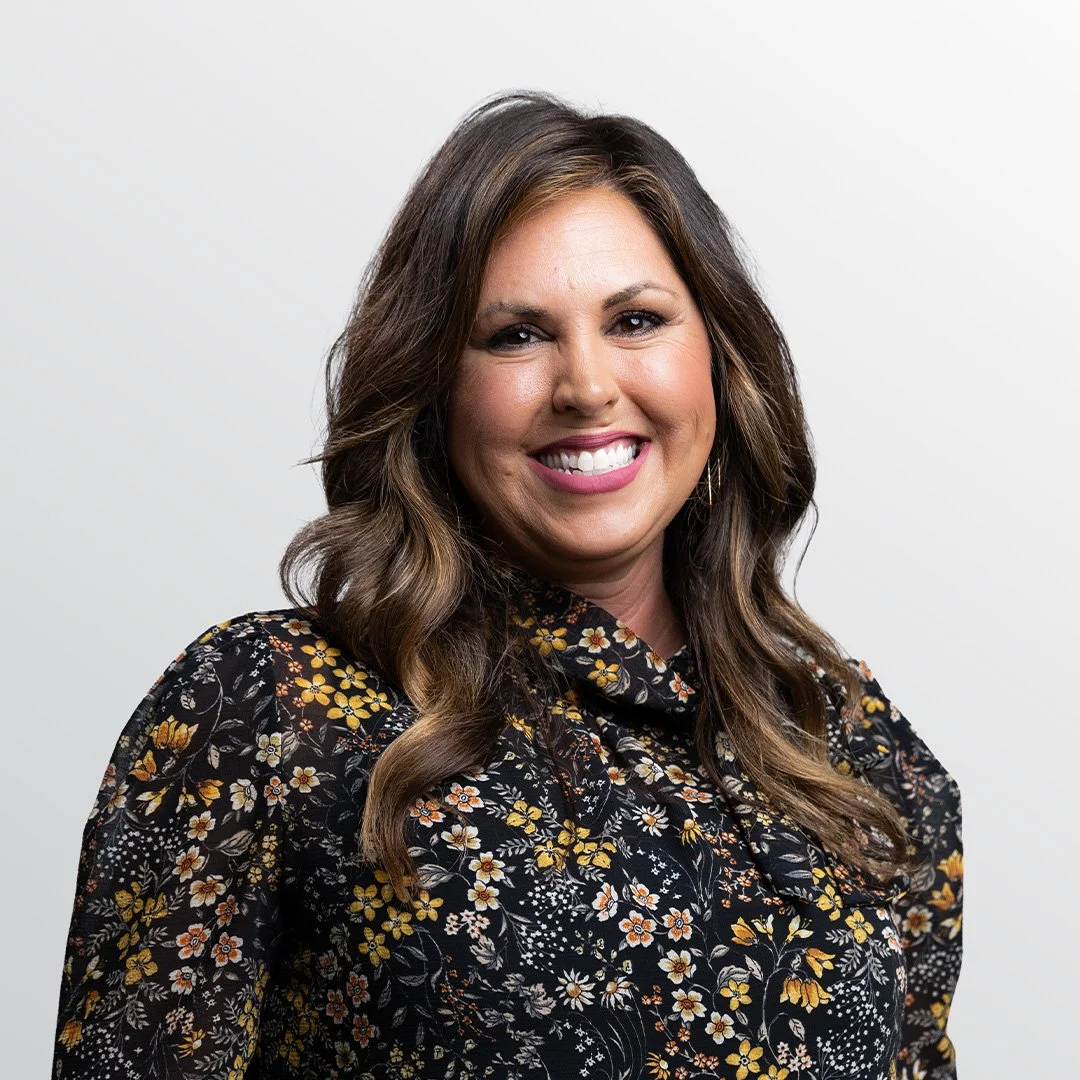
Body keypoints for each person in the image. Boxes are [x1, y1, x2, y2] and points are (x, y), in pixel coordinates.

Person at [52, 90, 963, 1080]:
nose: (587, 386)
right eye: (517, 335)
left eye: (636, 320)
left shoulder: (855, 751)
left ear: (718, 356)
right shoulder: (269, 709)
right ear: (434, 384)